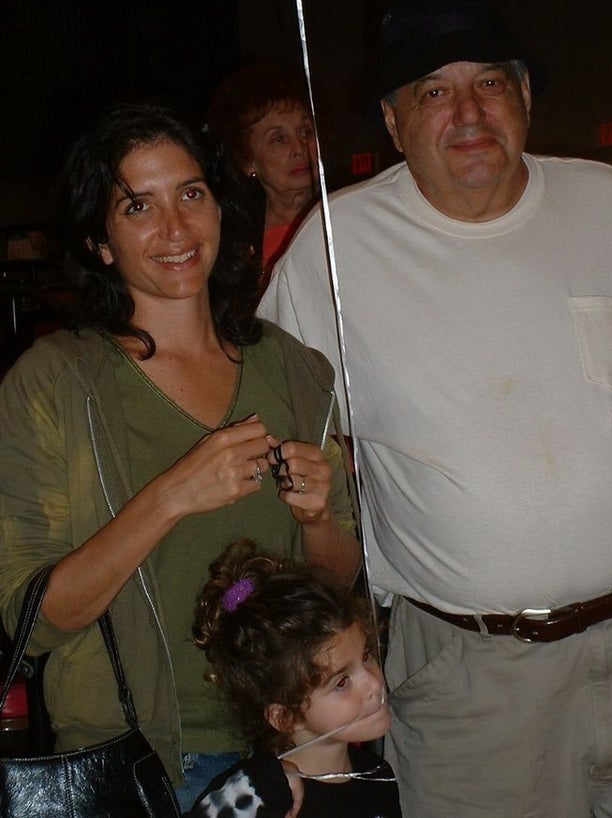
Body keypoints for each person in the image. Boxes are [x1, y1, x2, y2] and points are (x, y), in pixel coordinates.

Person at [258, 0, 612, 815]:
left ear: (528, 99)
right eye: (434, 93)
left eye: (491, 83)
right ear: (395, 125)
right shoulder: (334, 250)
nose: (469, 111)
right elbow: (280, 450)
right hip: (473, 679)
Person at [0, 101, 360, 813]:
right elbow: (33, 620)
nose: (175, 229)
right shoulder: (55, 382)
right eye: (138, 206)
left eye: (191, 194)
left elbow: (334, 583)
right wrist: (170, 497)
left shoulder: (293, 369)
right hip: (135, 760)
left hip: (290, 743)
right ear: (100, 242)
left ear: (220, 209)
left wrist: (318, 518)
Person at [186, 539, 400, 818]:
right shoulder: (261, 797)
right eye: (341, 682)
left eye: (367, 655)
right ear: (285, 717)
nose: (373, 683)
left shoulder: (376, 775)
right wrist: (257, 788)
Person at [206, 63, 319, 294]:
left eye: (306, 131)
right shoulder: (233, 243)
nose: (299, 148)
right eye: (278, 139)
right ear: (247, 160)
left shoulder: (346, 213)